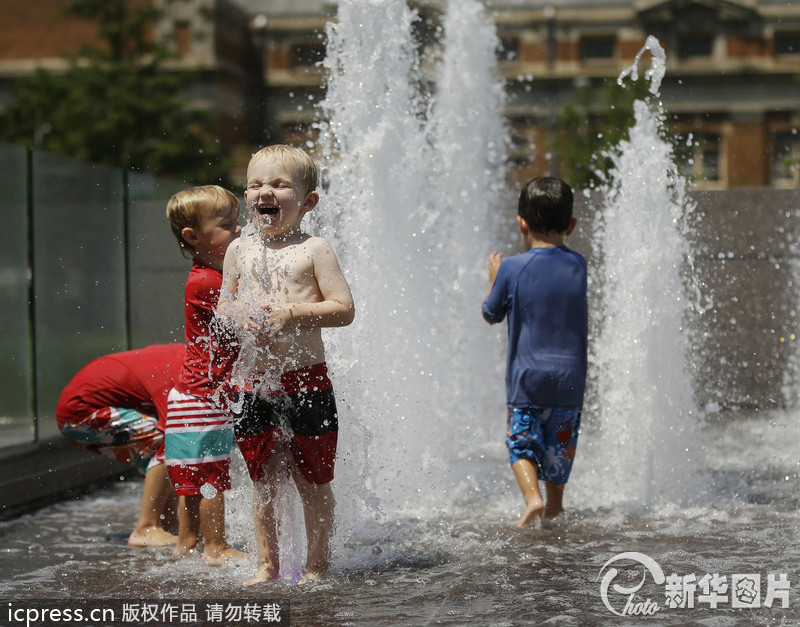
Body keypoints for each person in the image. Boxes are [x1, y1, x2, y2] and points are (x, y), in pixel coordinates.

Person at [216, 144, 355, 585]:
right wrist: (240, 317)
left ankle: (316, 564)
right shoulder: (239, 250)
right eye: (255, 184)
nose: (264, 192)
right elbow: (222, 309)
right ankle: (268, 565)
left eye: (278, 184)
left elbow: (344, 308)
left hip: (306, 379)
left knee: (312, 477)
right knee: (264, 476)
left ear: (308, 201)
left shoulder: (314, 248)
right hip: (254, 380)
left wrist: (293, 312)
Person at [482, 176, 587, 527]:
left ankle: (532, 499)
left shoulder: (512, 267)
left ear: (521, 223)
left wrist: (496, 278)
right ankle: (555, 508)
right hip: (570, 381)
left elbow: (491, 314)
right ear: (570, 225)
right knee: (559, 448)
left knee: (522, 443)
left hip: (528, 379)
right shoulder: (578, 265)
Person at [164, 184, 243, 563]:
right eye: (227, 225)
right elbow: (250, 317)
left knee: (191, 479)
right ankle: (216, 547)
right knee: (210, 477)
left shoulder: (204, 275)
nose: (239, 230)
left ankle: (187, 542)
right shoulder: (209, 282)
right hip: (206, 397)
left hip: (189, 395)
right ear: (193, 237)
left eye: (237, 221)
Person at [55, 343, 186, 546]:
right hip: (79, 414)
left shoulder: (186, 357)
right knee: (169, 442)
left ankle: (166, 522)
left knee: (169, 442)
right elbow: (177, 436)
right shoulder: (175, 375)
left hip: (89, 407)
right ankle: (146, 528)